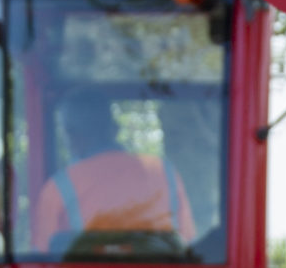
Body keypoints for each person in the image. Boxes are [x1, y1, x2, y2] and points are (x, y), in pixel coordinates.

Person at [31, 90, 196, 256]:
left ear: (70, 134)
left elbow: (43, 258)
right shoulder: (163, 171)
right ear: (114, 129)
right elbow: (188, 242)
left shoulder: (59, 187)